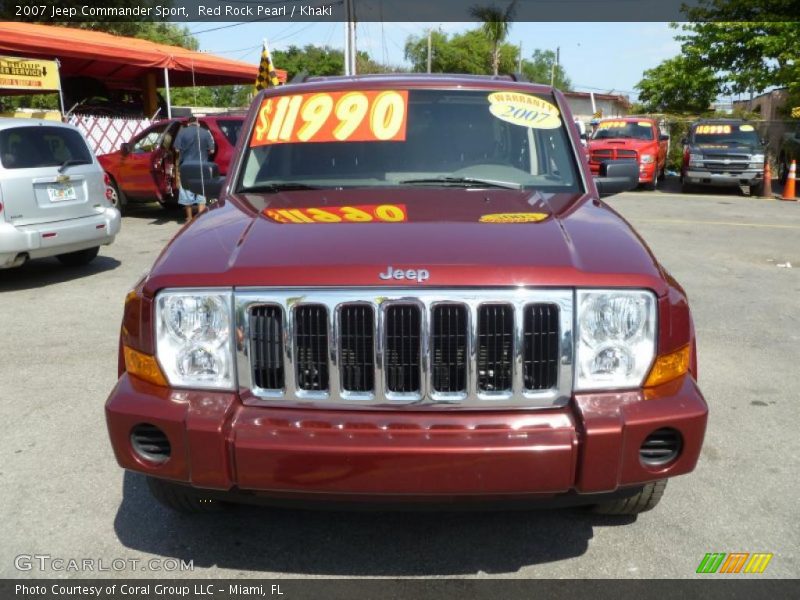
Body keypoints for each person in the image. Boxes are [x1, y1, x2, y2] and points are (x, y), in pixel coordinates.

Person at [172, 116, 215, 222]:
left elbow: (177, 149)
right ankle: (200, 219)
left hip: (186, 166)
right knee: (201, 193)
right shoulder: (206, 133)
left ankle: (189, 218)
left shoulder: (182, 132)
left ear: (188, 123)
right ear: (197, 123)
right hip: (201, 167)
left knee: (187, 193)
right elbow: (212, 151)